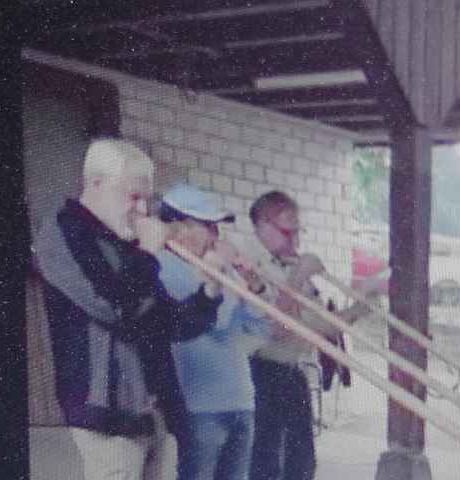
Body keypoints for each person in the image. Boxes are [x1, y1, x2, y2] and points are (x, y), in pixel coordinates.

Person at [32, 138, 223, 480]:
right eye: (133, 196)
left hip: (151, 412)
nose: (142, 210)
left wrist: (210, 288)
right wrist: (147, 255)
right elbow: (113, 306)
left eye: (146, 199)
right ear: (96, 184)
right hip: (108, 416)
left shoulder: (124, 244)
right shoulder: (63, 231)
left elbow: (171, 325)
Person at [247, 190, 386, 480]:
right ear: (262, 225)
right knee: (265, 465)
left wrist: (360, 308)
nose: (296, 241)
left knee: (302, 464)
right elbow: (276, 329)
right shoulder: (249, 264)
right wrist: (297, 277)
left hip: (291, 372)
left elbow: (320, 328)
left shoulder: (290, 265)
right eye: (288, 232)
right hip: (259, 373)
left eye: (298, 232)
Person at [155, 183, 272, 480]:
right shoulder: (161, 267)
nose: (215, 236)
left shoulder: (222, 269)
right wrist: (216, 279)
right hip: (199, 405)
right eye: (207, 226)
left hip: (240, 399)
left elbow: (261, 326)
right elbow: (215, 321)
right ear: (177, 227)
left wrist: (252, 281)